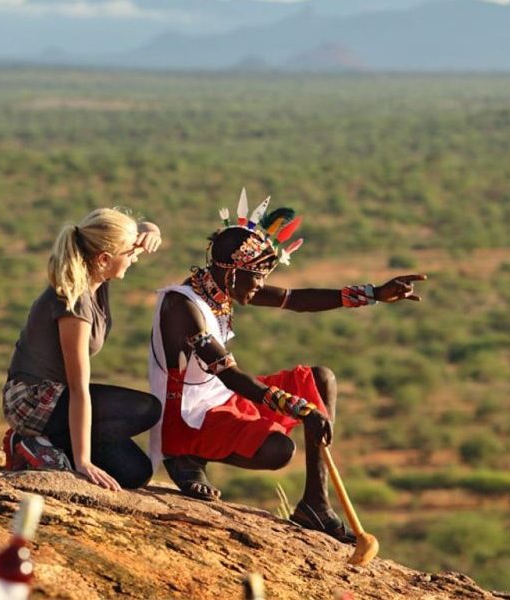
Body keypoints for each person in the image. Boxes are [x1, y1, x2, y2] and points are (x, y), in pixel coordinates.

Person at [148, 190, 424, 543]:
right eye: (256, 278)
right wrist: (302, 410)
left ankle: (315, 504)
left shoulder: (222, 289)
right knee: (279, 450)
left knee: (321, 379)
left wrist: (373, 294)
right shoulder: (182, 306)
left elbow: (295, 300)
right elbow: (231, 376)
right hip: (188, 417)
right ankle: (186, 456)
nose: (260, 286)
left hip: (218, 399)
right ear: (231, 272)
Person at [1, 207, 163, 492]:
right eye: (130, 253)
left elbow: (133, 234)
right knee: (145, 409)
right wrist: (83, 461)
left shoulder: (96, 276)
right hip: (32, 399)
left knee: (135, 473)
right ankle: (27, 441)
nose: (134, 258)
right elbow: (78, 388)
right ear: (104, 258)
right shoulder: (75, 304)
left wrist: (151, 231)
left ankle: (50, 445)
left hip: (56, 398)